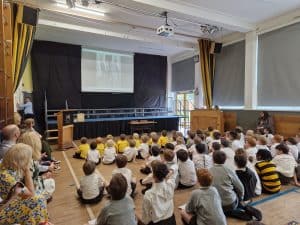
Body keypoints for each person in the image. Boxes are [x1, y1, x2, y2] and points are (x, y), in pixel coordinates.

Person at [0, 143, 50, 224]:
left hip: (6, 205)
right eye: (28, 159)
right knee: (38, 200)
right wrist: (27, 170)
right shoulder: (8, 178)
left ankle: (43, 222)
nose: (30, 161)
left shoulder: (4, 165)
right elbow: (31, 193)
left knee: (38, 200)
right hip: (2, 213)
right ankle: (43, 222)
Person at [209, 151, 262, 221]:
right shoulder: (229, 170)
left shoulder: (209, 171)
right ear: (225, 159)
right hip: (232, 201)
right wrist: (241, 198)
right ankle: (246, 207)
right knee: (232, 198)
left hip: (219, 202)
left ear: (213, 159)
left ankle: (236, 213)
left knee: (222, 210)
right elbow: (240, 187)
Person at [140, 161, 177, 225]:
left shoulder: (149, 194)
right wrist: (170, 172)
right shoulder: (171, 184)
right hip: (171, 219)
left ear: (153, 176)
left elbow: (145, 213)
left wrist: (145, 222)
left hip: (158, 222)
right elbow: (176, 167)